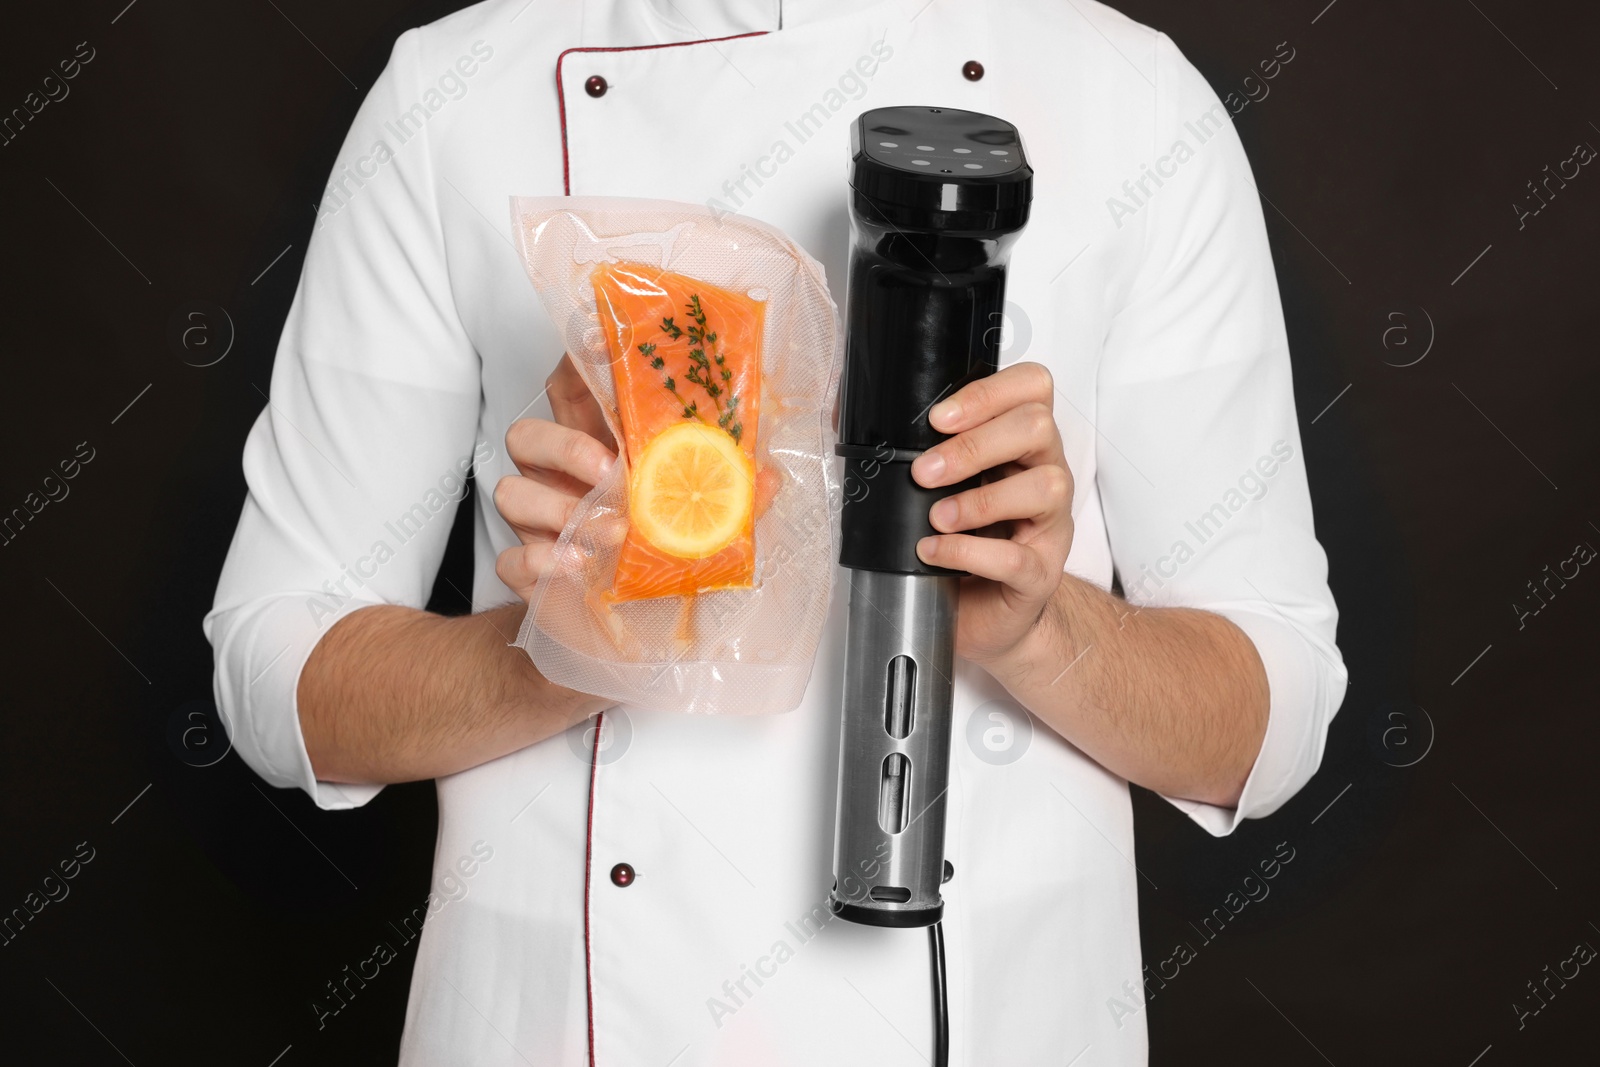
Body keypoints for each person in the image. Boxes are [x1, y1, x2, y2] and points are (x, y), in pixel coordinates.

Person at [206, 0, 1347, 1063]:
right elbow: (272, 671)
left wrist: (1038, 632)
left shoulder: (1130, 101)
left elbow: (1272, 714)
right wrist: (575, 644)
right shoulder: (461, 90)